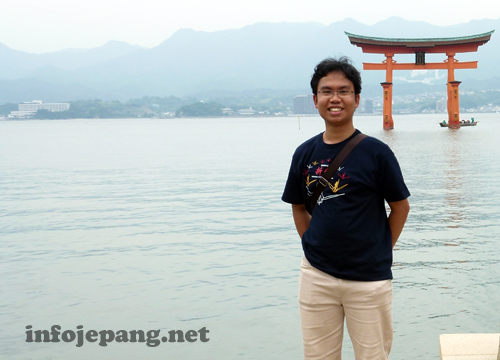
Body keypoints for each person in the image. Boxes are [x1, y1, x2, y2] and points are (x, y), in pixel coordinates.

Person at [282, 57, 410, 360]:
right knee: (318, 356)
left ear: (357, 99)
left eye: (344, 91)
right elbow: (299, 207)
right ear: (315, 100)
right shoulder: (305, 153)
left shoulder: (377, 153)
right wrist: (309, 244)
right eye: (327, 91)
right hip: (316, 275)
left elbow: (400, 207)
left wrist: (380, 249)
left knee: (372, 356)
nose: (335, 98)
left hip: (369, 278)